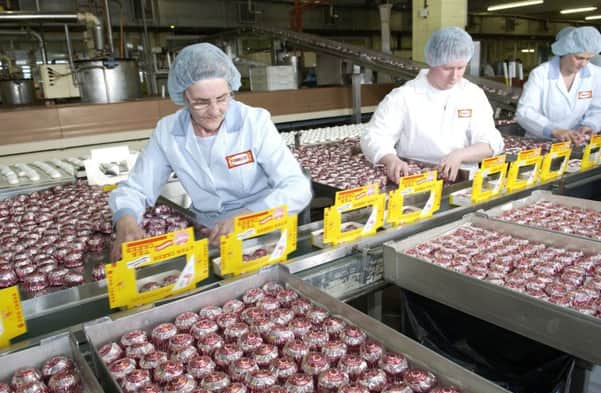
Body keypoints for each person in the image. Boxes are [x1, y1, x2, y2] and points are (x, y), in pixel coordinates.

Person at [109, 43, 312, 260]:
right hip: (209, 235)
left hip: (263, 230)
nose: (215, 111)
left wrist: (248, 216)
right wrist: (126, 220)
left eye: (223, 98)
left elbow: (297, 187)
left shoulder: (254, 122)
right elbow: (137, 188)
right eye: (201, 102)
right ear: (184, 97)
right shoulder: (168, 132)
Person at [360, 27, 503, 183]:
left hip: (464, 181)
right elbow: (374, 137)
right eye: (447, 68)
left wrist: (459, 155)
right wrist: (390, 159)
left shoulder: (472, 94)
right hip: (415, 179)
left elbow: (491, 141)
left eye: (461, 68)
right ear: (432, 62)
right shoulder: (404, 96)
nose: (454, 76)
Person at [516, 26, 601, 145]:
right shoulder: (541, 74)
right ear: (565, 51)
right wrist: (553, 130)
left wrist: (590, 124)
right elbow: (525, 112)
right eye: (579, 58)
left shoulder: (595, 74)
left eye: (588, 59)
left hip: (577, 142)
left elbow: (598, 108)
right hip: (541, 142)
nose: (584, 64)